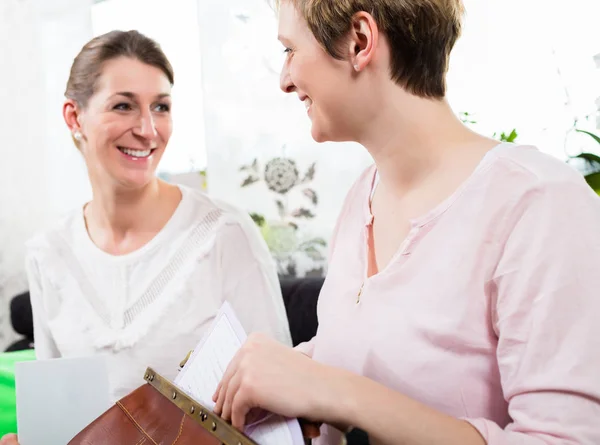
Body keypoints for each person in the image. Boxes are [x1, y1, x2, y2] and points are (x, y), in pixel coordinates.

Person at [212, 1, 600, 444]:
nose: (284, 80)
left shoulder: (540, 204)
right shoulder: (362, 198)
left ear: (359, 41)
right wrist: (286, 377)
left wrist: (337, 392)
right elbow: (367, 352)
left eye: (289, 50)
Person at [0, 30, 292, 445]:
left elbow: (283, 412)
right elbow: (56, 429)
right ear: (73, 116)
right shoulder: (47, 254)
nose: (148, 129)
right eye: (123, 105)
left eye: (161, 107)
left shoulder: (225, 234)